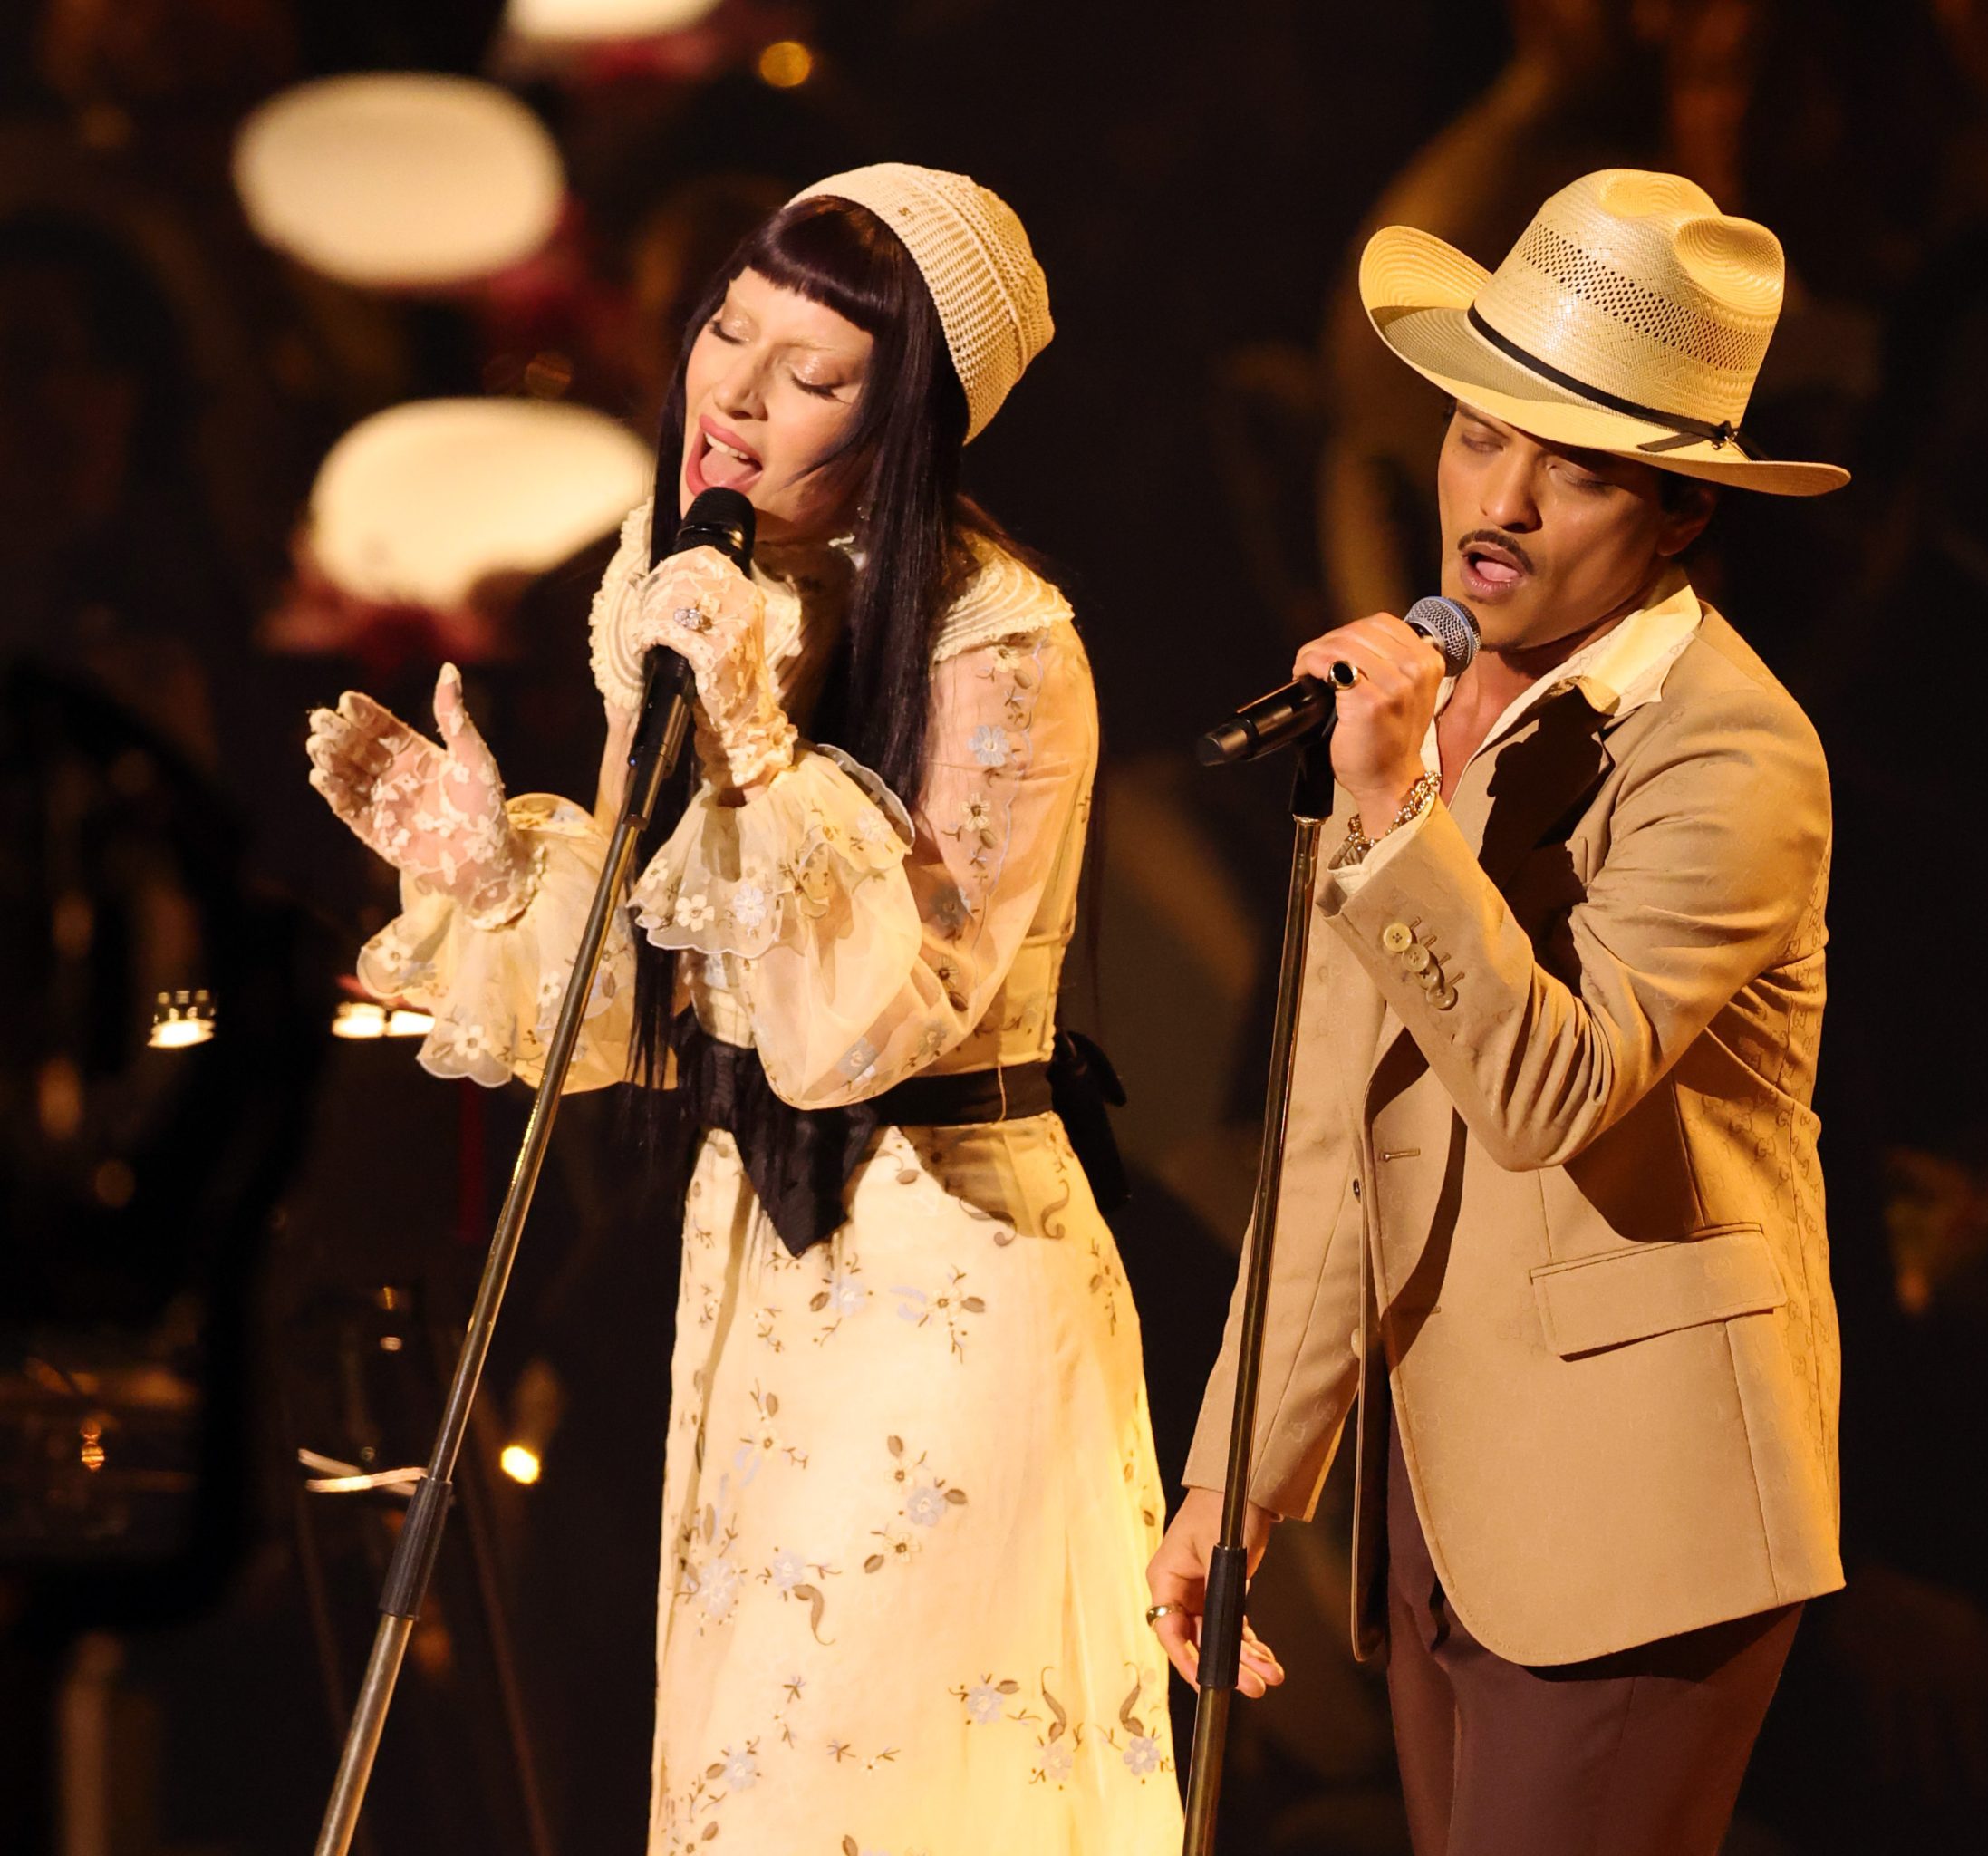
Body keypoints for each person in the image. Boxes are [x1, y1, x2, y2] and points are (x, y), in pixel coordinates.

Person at [305, 165, 1182, 1854]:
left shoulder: (1003, 645)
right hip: (755, 1260)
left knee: (889, 1774)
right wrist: (489, 872)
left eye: (815, 373)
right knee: (750, 1775)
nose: (736, 391)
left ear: (909, 415)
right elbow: (648, 1008)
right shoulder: (673, 571)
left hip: (951, 1259)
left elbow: (877, 1025)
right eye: (729, 328)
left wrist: (762, 742)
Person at [1149, 169, 1850, 1856]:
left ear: (1680, 512)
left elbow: (1554, 1088)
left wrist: (1391, 806)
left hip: (1639, 1516)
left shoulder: (1729, 752)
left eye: (1578, 465)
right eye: (1477, 434)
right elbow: (1337, 1124)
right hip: (1449, 1501)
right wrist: (1238, 1469)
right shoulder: (1445, 707)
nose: (1504, 498)